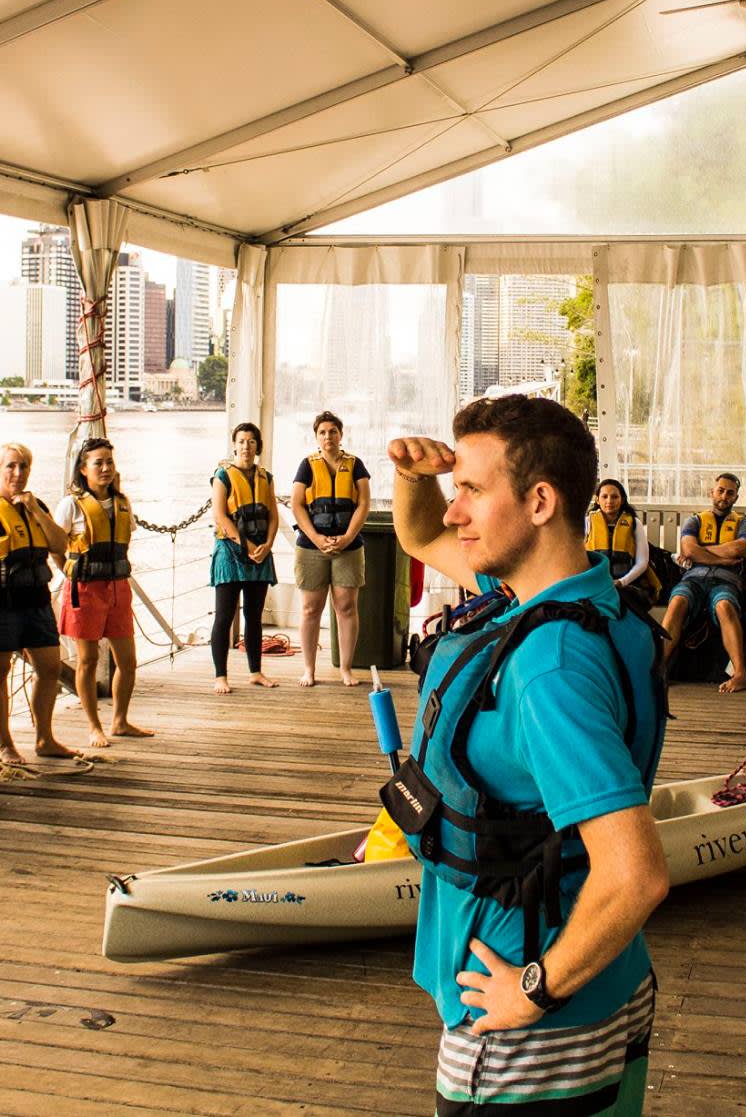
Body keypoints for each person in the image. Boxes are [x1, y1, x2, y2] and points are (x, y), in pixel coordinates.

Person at [388, 395, 669, 1116]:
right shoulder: (575, 596)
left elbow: (636, 873)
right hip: (612, 980)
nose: (455, 511)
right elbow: (420, 534)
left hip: (528, 1030)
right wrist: (417, 476)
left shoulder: (551, 667)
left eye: (472, 491)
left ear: (540, 502)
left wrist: (534, 989)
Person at [0, 442, 75, 764]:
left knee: (49, 667)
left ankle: (44, 738)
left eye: (23, 466)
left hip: (35, 600)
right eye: (11, 466)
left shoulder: (37, 506)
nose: (17, 473)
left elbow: (59, 544)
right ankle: (6, 743)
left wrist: (35, 510)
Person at [57, 437, 151, 744]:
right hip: (84, 589)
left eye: (109, 462)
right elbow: (56, 544)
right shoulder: (70, 505)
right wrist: (68, 570)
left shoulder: (122, 503)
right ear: (83, 469)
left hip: (118, 588)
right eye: (98, 463)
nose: (106, 468)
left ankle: (120, 721)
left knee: (128, 661)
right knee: (87, 661)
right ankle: (93, 726)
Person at [291, 410, 372, 687]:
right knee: (310, 609)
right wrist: (316, 538)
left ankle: (346, 668)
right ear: (316, 437)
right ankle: (309, 669)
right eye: (323, 432)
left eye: (333, 431)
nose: (328, 436)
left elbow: (364, 503)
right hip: (312, 547)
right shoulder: (307, 465)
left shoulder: (356, 465)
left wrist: (348, 537)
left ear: (341, 434)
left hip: (348, 547)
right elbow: (297, 505)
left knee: (346, 607)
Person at [658, 474, 746, 694]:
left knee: (725, 606)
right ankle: (660, 669)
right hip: (693, 579)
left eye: (730, 493)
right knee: (677, 602)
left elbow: (738, 548)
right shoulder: (694, 521)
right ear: (712, 493)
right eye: (720, 490)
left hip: (726, 581)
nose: (724, 496)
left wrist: (700, 552)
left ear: (736, 497)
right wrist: (721, 559)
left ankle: (740, 674)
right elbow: (688, 549)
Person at [210, 421, 280, 694]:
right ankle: (220, 676)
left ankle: (255, 672)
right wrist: (247, 545)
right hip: (230, 553)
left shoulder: (266, 477)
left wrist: (268, 544)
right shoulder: (223, 475)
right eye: (241, 441)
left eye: (251, 441)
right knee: (224, 616)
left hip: (260, 553)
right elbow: (220, 515)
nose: (246, 447)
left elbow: (273, 515)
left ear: (257, 446)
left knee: (254, 615)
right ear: (234, 445)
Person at [584, 478, 652, 592]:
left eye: (615, 497)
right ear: (597, 500)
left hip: (626, 585)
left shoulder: (635, 523)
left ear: (622, 500)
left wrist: (622, 582)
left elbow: (642, 562)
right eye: (604, 496)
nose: (609, 501)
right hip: (593, 584)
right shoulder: (587, 522)